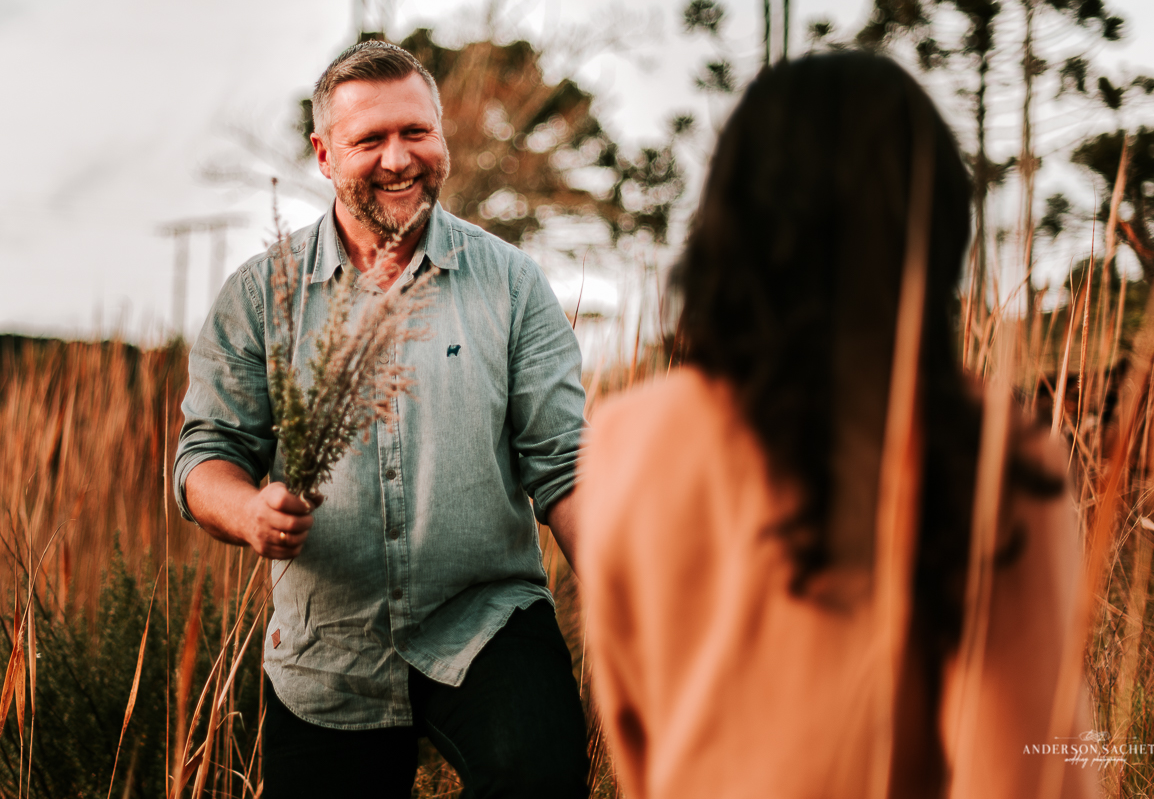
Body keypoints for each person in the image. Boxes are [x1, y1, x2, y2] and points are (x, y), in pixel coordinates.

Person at [578, 53, 1097, 799]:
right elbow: (1023, 781)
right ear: (935, 223)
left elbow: (637, 744)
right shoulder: (986, 449)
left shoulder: (625, 437)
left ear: (729, 221)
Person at [174, 41, 588, 798]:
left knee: (542, 774)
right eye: (370, 140)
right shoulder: (261, 295)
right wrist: (249, 511)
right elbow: (207, 451)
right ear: (324, 154)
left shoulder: (513, 284)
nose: (399, 159)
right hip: (326, 645)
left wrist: (629, 594)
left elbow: (563, 464)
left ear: (442, 136)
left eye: (416, 132)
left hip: (487, 617)